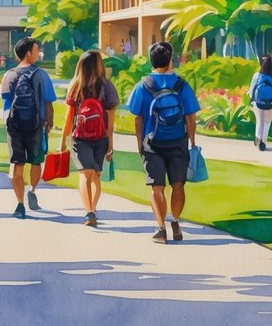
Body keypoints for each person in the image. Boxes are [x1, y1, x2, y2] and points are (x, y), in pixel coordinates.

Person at [127, 41, 200, 244]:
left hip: (152, 143)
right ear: (170, 60)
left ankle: (161, 229)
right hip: (178, 142)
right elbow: (191, 117)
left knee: (156, 188)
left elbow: (137, 118)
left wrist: (139, 144)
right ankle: (175, 221)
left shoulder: (143, 86)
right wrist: (192, 141)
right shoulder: (181, 85)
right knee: (178, 185)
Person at [58, 49, 118, 227]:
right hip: (100, 138)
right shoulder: (107, 87)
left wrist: (63, 140)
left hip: (80, 137)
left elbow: (69, 117)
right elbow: (111, 121)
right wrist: (110, 144)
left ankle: (89, 212)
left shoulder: (75, 86)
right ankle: (93, 208)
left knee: (85, 175)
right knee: (95, 176)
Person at [0, 38, 56, 219]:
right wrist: (49, 122)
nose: (38, 52)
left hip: (14, 125)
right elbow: (48, 102)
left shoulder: (8, 75)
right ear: (28, 53)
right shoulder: (41, 75)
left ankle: (19, 203)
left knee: (17, 164)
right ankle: (32, 190)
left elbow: (6, 103)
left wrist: (7, 123)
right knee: (35, 161)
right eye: (36, 50)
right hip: (36, 125)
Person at [249, 55, 272, 151]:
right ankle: (263, 142)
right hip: (270, 102)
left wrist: (251, 99)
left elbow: (252, 90)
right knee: (267, 122)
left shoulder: (257, 76)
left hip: (258, 101)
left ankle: (258, 136)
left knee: (259, 120)